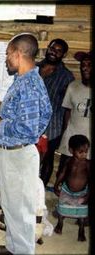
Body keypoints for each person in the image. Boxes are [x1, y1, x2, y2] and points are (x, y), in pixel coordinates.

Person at [0, 33, 52, 255]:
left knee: (22, 211)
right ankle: (13, 247)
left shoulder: (29, 84)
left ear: (19, 54)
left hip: (18, 155)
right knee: (10, 206)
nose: (6, 59)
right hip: (11, 153)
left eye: (8, 54)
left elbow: (28, 130)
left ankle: (22, 251)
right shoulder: (22, 80)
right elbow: (38, 116)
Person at [37, 39, 75, 187]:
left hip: (52, 127)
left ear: (63, 55)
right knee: (29, 157)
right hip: (30, 123)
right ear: (48, 48)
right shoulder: (34, 68)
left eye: (59, 51)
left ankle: (40, 191)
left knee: (47, 159)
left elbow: (67, 107)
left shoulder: (66, 76)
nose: (54, 52)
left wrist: (64, 131)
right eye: (52, 48)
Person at [0, 177, 52, 245]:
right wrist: (5, 214)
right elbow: (1, 202)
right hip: (11, 213)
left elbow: (38, 218)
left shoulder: (37, 183)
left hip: (31, 217)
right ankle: (9, 229)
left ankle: (16, 232)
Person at [56, 51, 92, 179]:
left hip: (89, 143)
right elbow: (67, 112)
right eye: (83, 64)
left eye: (89, 64)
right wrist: (64, 135)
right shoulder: (73, 87)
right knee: (64, 171)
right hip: (71, 138)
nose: (85, 68)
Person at [54, 134, 90, 242]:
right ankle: (60, 224)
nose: (84, 154)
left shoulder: (87, 164)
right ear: (71, 150)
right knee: (62, 205)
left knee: (82, 211)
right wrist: (56, 185)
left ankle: (81, 230)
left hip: (81, 192)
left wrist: (88, 195)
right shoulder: (69, 161)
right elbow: (62, 173)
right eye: (80, 152)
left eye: (86, 151)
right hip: (66, 189)